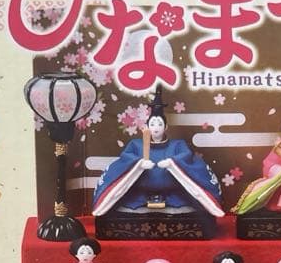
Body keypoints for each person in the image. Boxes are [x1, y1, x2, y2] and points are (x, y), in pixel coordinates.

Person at [92, 87, 223, 218]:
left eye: (159, 124)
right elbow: (125, 158)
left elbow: (186, 156)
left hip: (173, 194)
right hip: (140, 194)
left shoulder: (177, 145)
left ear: (165, 127)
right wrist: (138, 164)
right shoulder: (136, 145)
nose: (156, 128)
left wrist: (172, 163)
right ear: (147, 127)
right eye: (152, 124)